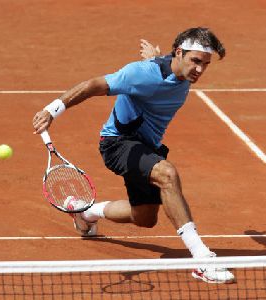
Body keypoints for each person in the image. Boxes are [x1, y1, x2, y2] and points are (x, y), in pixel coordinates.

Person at [33, 27, 234, 284]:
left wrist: (156, 58)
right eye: (195, 61)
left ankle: (85, 213)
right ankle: (203, 260)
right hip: (118, 143)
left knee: (145, 218)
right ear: (179, 53)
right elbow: (94, 85)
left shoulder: (175, 71)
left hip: (146, 147)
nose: (199, 70)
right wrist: (52, 110)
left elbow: (162, 69)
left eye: (205, 64)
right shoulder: (141, 74)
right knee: (167, 174)